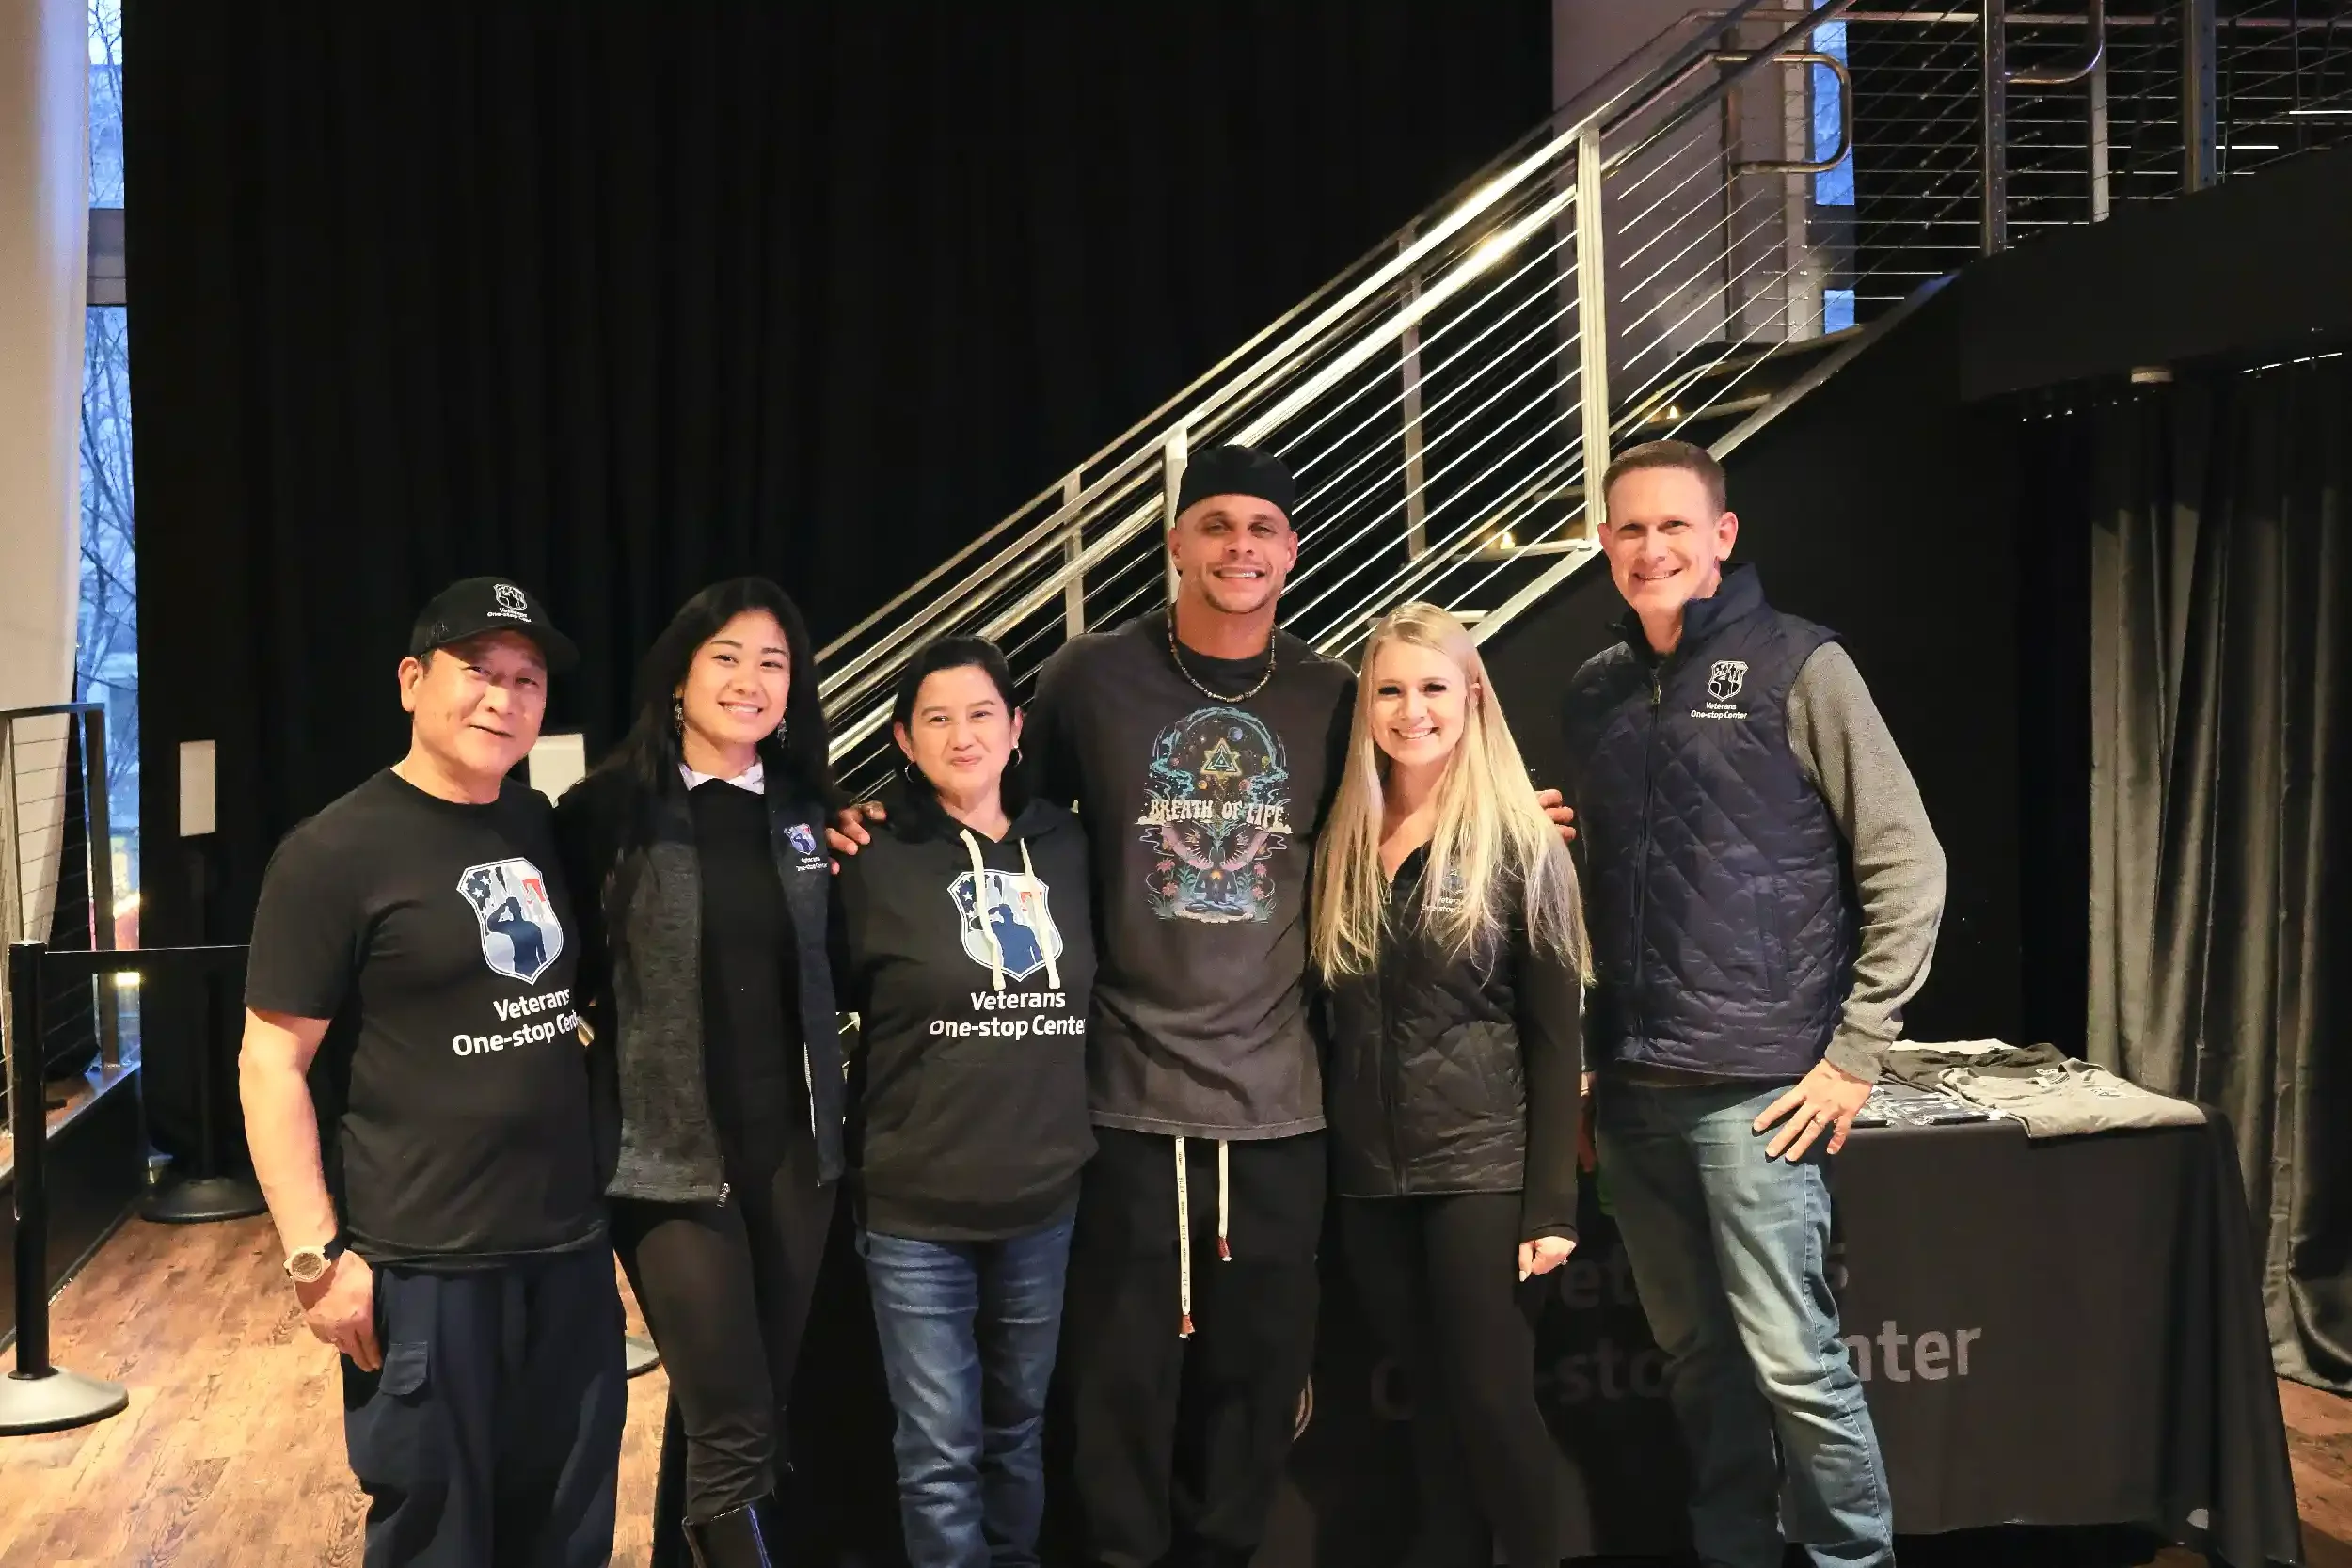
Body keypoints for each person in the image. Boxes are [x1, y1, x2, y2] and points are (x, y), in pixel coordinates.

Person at [832, 443, 1570, 1568]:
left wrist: (1508, 819)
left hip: (1283, 1115)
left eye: (1262, 529)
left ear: (1291, 550)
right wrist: (880, 821)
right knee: (1119, 1403)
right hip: (1125, 1109)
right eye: (1215, 524)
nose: (1239, 547)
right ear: (1174, 541)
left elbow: (1409, 802)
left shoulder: (1332, 695)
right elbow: (991, 806)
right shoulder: (1090, 678)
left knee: (1255, 1397)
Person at [1562, 440, 1947, 1568]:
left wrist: (1857, 1051)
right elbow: (1616, 879)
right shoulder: (1594, 691)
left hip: (1763, 1092)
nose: (1650, 548)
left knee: (1796, 1363)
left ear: (1721, 537)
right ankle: (1731, 1551)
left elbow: (1905, 858)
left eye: (1674, 526)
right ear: (1604, 544)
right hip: (1636, 1092)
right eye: (1629, 529)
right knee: (1698, 1364)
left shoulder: (1798, 663)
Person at [239, 577, 622, 1568]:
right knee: (434, 1536)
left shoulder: (543, 823)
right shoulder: (332, 851)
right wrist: (314, 1258)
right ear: (413, 681)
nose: (504, 698)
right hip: (425, 1266)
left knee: (568, 1531)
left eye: (527, 680)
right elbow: (270, 1061)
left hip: (567, 1253)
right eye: (479, 673)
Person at [553, 578, 847, 1568]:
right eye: (726, 655)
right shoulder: (604, 812)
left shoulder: (809, 810)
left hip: (795, 1154)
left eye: (773, 661)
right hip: (665, 1160)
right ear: (678, 675)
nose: (751, 679)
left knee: (745, 1402)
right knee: (731, 1419)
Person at [1312, 602, 1587, 1568]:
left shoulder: (1521, 841)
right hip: (1368, 1179)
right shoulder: (1337, 835)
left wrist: (1550, 1201)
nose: (1410, 708)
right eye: (1389, 688)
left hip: (1481, 1171)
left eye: (1433, 687)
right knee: (1426, 1406)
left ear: (1471, 696)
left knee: (1493, 1403)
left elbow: (1558, 1039)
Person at [834, 635, 1097, 1568]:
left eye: (981, 712)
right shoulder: (866, 855)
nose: (962, 733)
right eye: (936, 717)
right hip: (915, 1210)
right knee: (940, 1455)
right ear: (903, 738)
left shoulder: (1068, 845)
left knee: (1017, 1432)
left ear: (1017, 725)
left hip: (1042, 1200)